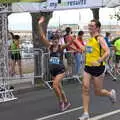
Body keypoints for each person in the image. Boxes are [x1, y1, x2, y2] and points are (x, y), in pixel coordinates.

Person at [78, 20, 116, 120]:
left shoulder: (99, 38)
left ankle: (110, 94)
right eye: (89, 24)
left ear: (97, 28)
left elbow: (107, 51)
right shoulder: (90, 39)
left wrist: (101, 59)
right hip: (88, 67)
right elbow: (87, 50)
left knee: (98, 92)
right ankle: (86, 113)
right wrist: (75, 43)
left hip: (98, 68)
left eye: (92, 25)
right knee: (85, 87)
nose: (89, 26)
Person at [38, 16, 75, 112]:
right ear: (51, 40)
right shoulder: (50, 47)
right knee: (60, 89)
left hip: (61, 70)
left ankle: (61, 102)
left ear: (58, 40)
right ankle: (67, 102)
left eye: (56, 39)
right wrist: (39, 24)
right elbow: (42, 36)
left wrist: (72, 39)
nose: (55, 41)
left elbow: (69, 44)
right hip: (53, 72)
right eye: (53, 39)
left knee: (54, 86)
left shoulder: (61, 47)